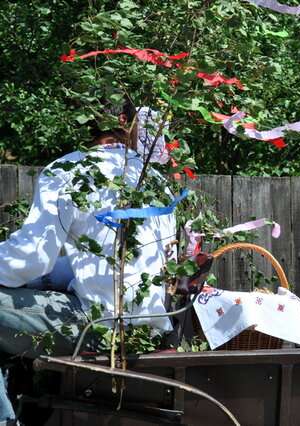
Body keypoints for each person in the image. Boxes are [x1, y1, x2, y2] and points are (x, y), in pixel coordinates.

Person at [0, 92, 176, 360]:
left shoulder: (67, 170)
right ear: (125, 121)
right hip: (151, 328)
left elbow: (31, 258)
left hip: (97, 326)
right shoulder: (154, 181)